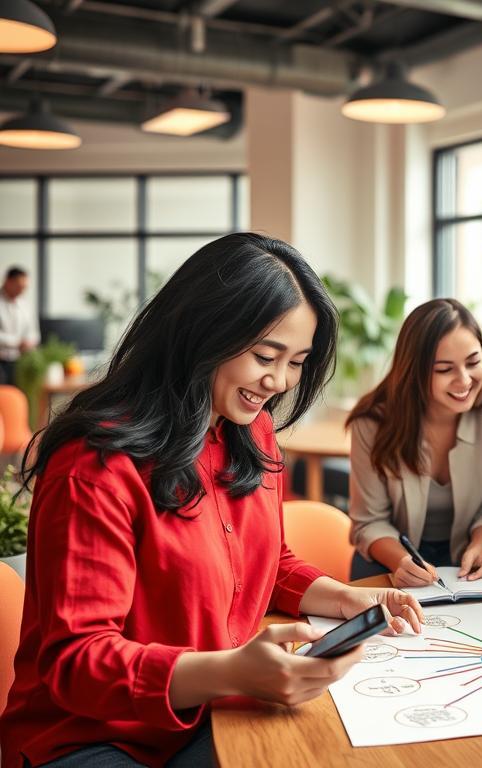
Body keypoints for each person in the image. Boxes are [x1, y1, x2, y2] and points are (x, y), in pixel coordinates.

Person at [0, 234, 424, 768]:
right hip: (90, 739)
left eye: (297, 361)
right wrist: (230, 671)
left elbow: (263, 564)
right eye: (265, 356)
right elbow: (78, 662)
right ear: (203, 332)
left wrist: (344, 600)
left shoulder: (251, 430)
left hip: (210, 715)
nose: (279, 381)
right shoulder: (96, 463)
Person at [347, 298, 482, 586]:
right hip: (387, 559)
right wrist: (402, 561)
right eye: (444, 369)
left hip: (461, 561)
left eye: (473, 362)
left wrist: (478, 548)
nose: (464, 380)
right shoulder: (372, 421)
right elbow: (369, 522)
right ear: (415, 371)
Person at [0, 266, 39, 386]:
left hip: (20, 361)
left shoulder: (25, 304)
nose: (21, 291)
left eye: (24, 288)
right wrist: (17, 342)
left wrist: (30, 342)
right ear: (8, 281)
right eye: (19, 286)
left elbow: (34, 332)